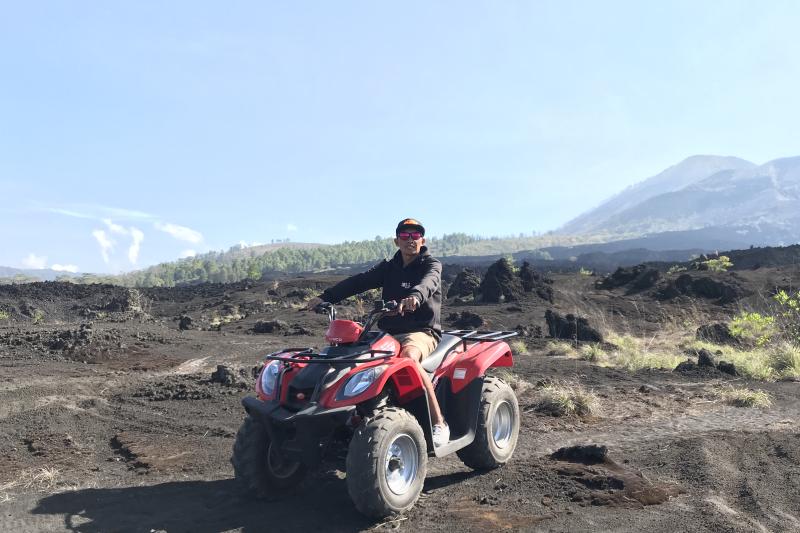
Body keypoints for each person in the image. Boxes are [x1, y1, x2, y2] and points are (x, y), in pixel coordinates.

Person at [306, 218, 449, 447]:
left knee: (408, 358)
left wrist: (415, 297)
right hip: (388, 334)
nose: (410, 240)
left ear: (422, 240)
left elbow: (428, 283)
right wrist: (326, 297)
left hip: (420, 331)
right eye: (405, 235)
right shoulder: (389, 268)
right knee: (354, 358)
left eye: (415, 235)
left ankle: (438, 422)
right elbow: (358, 282)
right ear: (396, 241)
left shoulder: (431, 264)